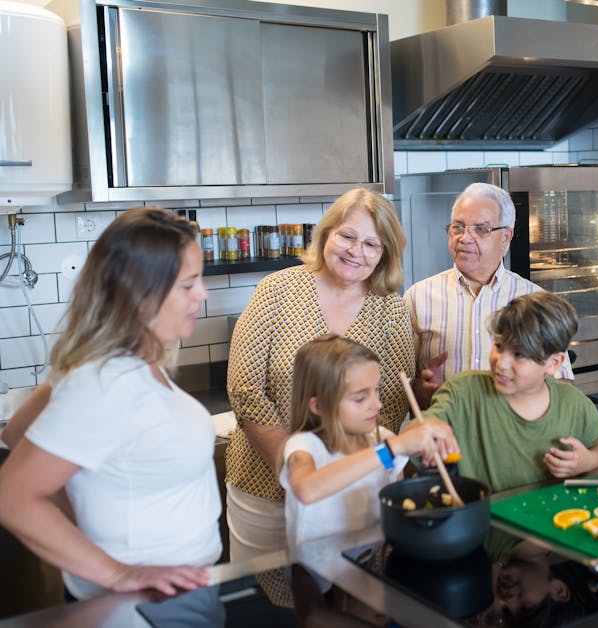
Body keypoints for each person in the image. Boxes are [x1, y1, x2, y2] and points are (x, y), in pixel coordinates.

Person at [0, 207, 221, 599]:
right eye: (188, 285)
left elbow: (17, 432)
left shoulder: (115, 364)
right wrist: (118, 573)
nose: (202, 293)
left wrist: (83, 516)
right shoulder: (106, 383)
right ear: (141, 295)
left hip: (175, 593)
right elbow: (11, 496)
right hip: (139, 605)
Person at [224, 187, 413, 602]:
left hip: (353, 497)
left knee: (349, 608)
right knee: (269, 611)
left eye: (370, 244)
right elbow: (246, 391)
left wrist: (345, 474)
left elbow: (394, 402)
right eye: (347, 236)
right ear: (326, 233)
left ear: (385, 254)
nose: (355, 251)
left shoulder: (391, 308)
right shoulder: (277, 291)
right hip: (265, 490)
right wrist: (296, 469)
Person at [278, 335, 456, 593]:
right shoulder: (304, 446)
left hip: (370, 574)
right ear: (318, 406)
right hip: (318, 583)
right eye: (360, 398)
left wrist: (427, 442)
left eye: (377, 391)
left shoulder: (381, 438)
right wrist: (391, 449)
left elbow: (397, 506)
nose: (377, 404)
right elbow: (306, 489)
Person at [423, 292, 598, 493]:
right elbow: (413, 438)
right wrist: (423, 435)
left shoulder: (573, 403)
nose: (502, 363)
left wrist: (588, 460)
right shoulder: (462, 392)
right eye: (499, 346)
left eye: (519, 354)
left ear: (553, 363)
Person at [404, 182, 573, 409]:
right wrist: (425, 391)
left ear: (506, 237)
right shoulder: (418, 297)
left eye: (481, 229)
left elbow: (562, 387)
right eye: (458, 227)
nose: (465, 238)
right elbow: (400, 390)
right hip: (443, 439)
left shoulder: (533, 299)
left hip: (512, 439)